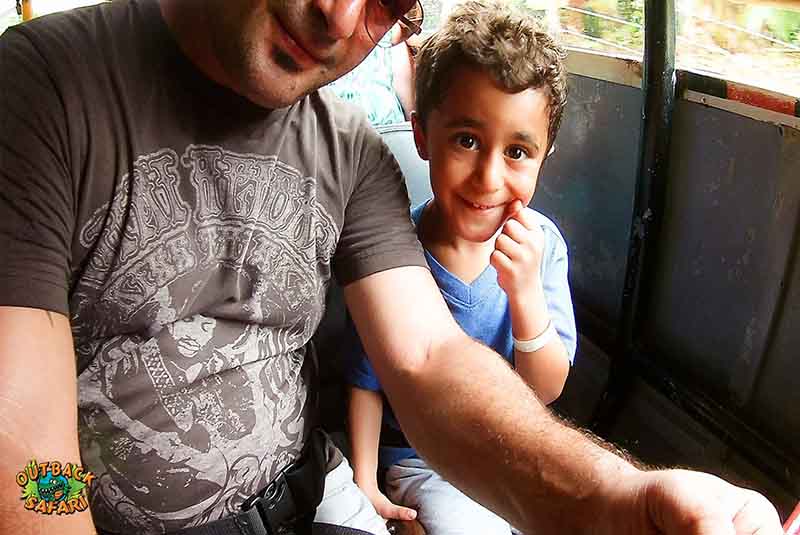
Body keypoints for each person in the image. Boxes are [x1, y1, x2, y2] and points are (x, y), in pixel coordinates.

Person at [0, 1, 783, 535]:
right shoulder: (40, 95)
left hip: (314, 494)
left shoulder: (350, 155)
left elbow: (431, 361)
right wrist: (100, 513)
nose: (339, 16)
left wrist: (620, 500)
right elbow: (28, 456)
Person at [344, 3, 576, 533]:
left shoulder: (543, 249)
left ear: (545, 156)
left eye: (518, 151)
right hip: (423, 459)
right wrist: (366, 485)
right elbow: (367, 379)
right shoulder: (394, 251)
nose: (488, 178)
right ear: (423, 136)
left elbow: (544, 390)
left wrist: (525, 297)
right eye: (467, 140)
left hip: (515, 452)